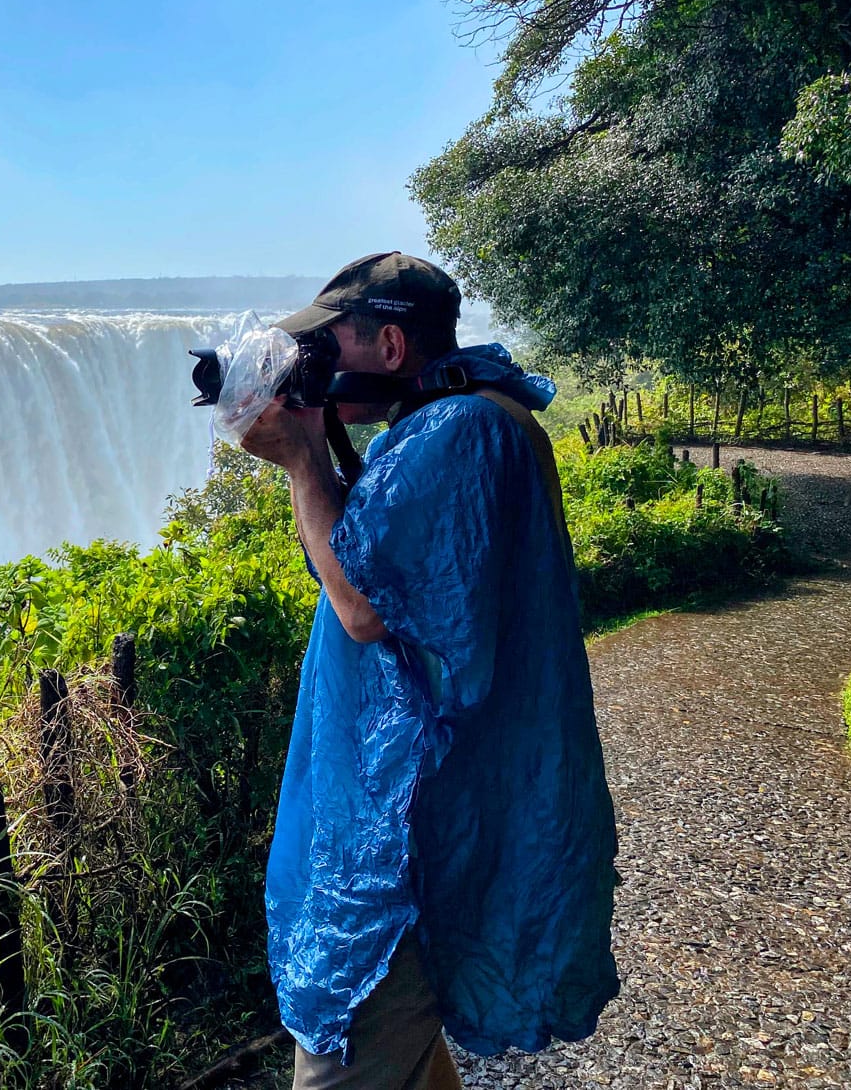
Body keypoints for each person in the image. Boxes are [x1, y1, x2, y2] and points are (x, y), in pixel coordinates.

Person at [239, 252, 619, 1090]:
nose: (314, 370)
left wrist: (306, 462)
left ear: (391, 344)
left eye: (325, 349)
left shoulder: (457, 432)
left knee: (346, 1043)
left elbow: (364, 607)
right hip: (436, 789)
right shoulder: (472, 417)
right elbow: (385, 563)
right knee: (404, 1058)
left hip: (408, 815)